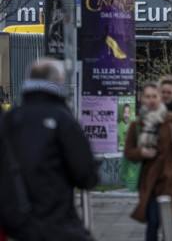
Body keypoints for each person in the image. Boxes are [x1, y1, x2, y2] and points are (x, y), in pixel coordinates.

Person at [0, 59, 98, 241]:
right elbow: (85, 174)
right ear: (59, 83)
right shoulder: (63, 119)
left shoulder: (9, 119)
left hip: (16, 223)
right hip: (57, 221)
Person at [125, 82, 172, 241]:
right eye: (147, 96)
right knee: (153, 222)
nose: (151, 100)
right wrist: (140, 152)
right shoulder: (138, 124)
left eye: (154, 96)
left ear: (160, 98)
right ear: (142, 99)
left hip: (170, 180)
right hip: (149, 181)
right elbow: (129, 151)